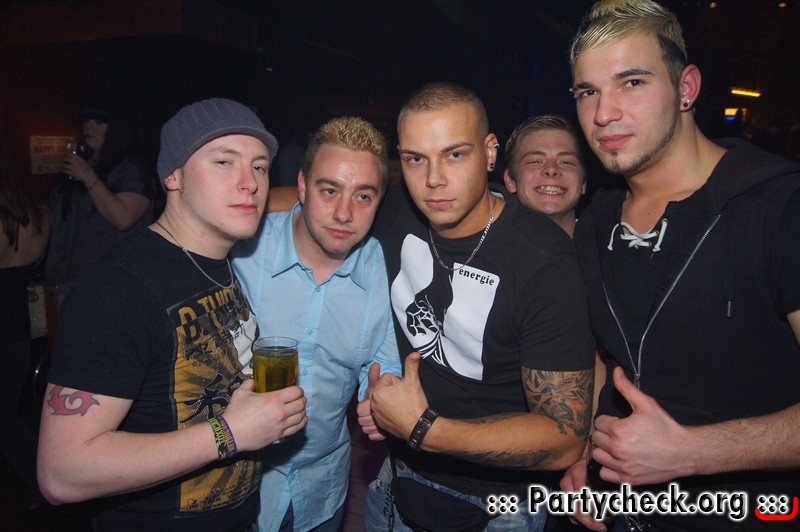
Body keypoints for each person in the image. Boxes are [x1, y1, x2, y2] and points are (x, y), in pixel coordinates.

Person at [561, 1, 800, 530]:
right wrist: (587, 454)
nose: (603, 114)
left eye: (632, 82)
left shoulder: (778, 208)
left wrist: (692, 452)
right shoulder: (596, 222)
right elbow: (607, 356)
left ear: (686, 88)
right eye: (587, 92)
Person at [37, 97, 308, 531]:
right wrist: (230, 433)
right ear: (172, 175)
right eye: (224, 162)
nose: (250, 183)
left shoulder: (217, 262)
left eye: (259, 167)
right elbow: (62, 473)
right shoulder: (117, 289)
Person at [361, 81, 595, 531]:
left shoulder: (544, 261)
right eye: (415, 159)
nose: (433, 179)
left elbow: (564, 437)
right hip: (395, 482)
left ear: (490, 153)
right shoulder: (394, 212)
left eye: (454, 154)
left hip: (500, 508)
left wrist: (423, 428)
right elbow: (311, 207)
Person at [230, 116, 401, 531]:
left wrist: (382, 400)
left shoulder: (387, 274)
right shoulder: (240, 252)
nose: (344, 213)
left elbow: (384, 370)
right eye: (329, 190)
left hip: (321, 493)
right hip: (233, 488)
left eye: (363, 196)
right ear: (303, 186)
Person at [45, 97, 155, 309]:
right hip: (67, 277)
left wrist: (87, 176)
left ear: (116, 127)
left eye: (99, 121)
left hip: (110, 283)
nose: (89, 126)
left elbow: (123, 218)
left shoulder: (132, 168)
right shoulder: (83, 163)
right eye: (86, 120)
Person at [0, 143, 50, 507]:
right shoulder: (38, 217)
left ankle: (43, 489)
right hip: (20, 336)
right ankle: (44, 488)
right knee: (9, 417)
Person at [502, 114, 587, 236]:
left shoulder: (606, 243)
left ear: (583, 182)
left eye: (566, 162)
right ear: (510, 180)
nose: (551, 169)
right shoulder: (485, 246)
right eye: (535, 161)